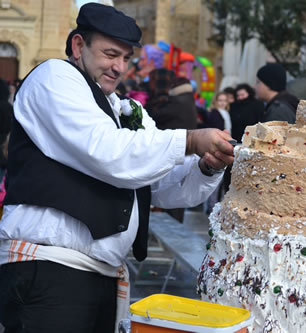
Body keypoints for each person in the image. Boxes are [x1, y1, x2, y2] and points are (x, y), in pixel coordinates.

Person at [0, 3, 233, 333]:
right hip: (49, 269)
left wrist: (206, 168)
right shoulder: (55, 78)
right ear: (79, 45)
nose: (119, 67)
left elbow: (163, 184)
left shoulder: (124, 108)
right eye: (111, 54)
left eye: (126, 58)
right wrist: (190, 140)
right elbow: (106, 152)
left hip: (101, 275)